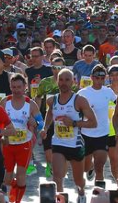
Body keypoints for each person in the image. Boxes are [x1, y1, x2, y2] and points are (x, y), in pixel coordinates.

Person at [41, 68, 96, 197]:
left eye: (67, 80)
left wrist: (74, 123)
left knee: (78, 181)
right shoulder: (52, 100)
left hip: (75, 145)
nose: (63, 83)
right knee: (57, 177)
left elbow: (93, 122)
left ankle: (81, 194)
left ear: (73, 82)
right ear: (57, 81)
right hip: (58, 142)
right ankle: (60, 199)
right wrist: (45, 128)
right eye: (61, 80)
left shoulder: (79, 100)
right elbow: (49, 114)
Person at [0, 74, 41, 203]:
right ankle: (12, 192)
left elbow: (41, 122)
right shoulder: (5, 102)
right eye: (14, 87)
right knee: (7, 177)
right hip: (7, 143)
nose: (16, 90)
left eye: (19, 87)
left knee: (21, 175)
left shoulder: (30, 104)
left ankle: (16, 200)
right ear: (10, 87)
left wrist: (36, 123)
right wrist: (2, 135)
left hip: (24, 144)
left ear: (25, 87)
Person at [79, 65, 116, 187]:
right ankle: (90, 168)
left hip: (103, 133)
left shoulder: (108, 92)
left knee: (100, 167)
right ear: (91, 78)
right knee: (84, 168)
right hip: (86, 134)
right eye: (96, 78)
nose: (99, 81)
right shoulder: (83, 93)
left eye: (102, 78)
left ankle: (99, 196)